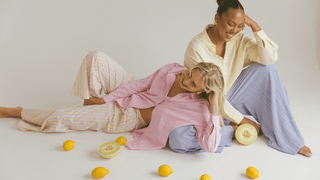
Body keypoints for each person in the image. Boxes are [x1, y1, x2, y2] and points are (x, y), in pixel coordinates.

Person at [0, 50, 227, 152]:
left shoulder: (201, 109)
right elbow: (141, 84)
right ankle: (91, 103)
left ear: (204, 91)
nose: (185, 80)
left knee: (63, 117)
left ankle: (17, 111)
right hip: (129, 91)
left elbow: (210, 146)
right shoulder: (175, 70)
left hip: (127, 116)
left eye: (193, 84)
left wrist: (216, 109)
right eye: (189, 74)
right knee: (96, 57)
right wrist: (106, 98)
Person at [168, 0, 313, 157]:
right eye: (231, 24)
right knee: (178, 138)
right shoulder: (197, 47)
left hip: (231, 96)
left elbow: (269, 57)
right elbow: (208, 94)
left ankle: (289, 138)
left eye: (240, 26)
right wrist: (242, 120)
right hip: (205, 103)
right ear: (217, 18)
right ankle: (232, 130)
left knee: (267, 69)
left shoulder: (240, 40)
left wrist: (254, 25)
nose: (235, 31)